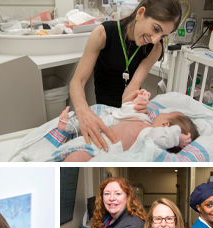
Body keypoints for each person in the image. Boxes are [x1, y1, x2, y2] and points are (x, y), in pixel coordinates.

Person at [69, 0, 181, 151]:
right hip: (105, 107)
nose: (155, 39)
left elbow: (133, 85)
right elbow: (78, 81)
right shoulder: (103, 34)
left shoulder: (155, 48)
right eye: (155, 29)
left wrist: (135, 102)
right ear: (140, 13)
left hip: (130, 106)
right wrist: (83, 111)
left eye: (163, 35)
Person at [55, 90, 199, 161]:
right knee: (83, 132)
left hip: (103, 148)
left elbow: (163, 138)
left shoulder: (150, 136)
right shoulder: (145, 120)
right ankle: (67, 127)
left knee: (76, 157)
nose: (159, 113)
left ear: (165, 124)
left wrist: (177, 138)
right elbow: (126, 112)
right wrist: (138, 100)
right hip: (97, 135)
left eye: (168, 113)